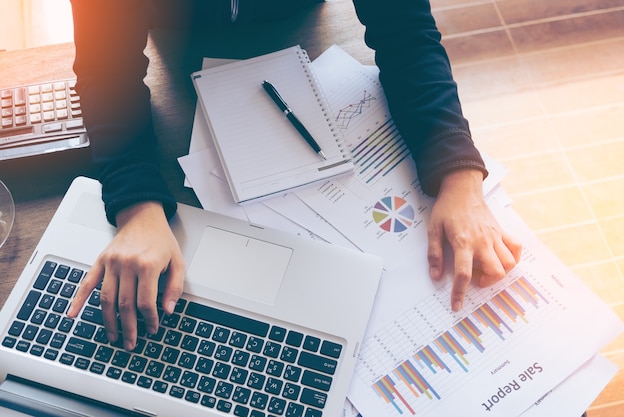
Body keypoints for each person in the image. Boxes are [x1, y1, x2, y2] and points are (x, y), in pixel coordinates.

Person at [67, 0, 522, 352]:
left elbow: (406, 32)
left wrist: (458, 172)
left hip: (297, 34)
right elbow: (105, 68)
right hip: (177, 42)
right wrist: (137, 208)